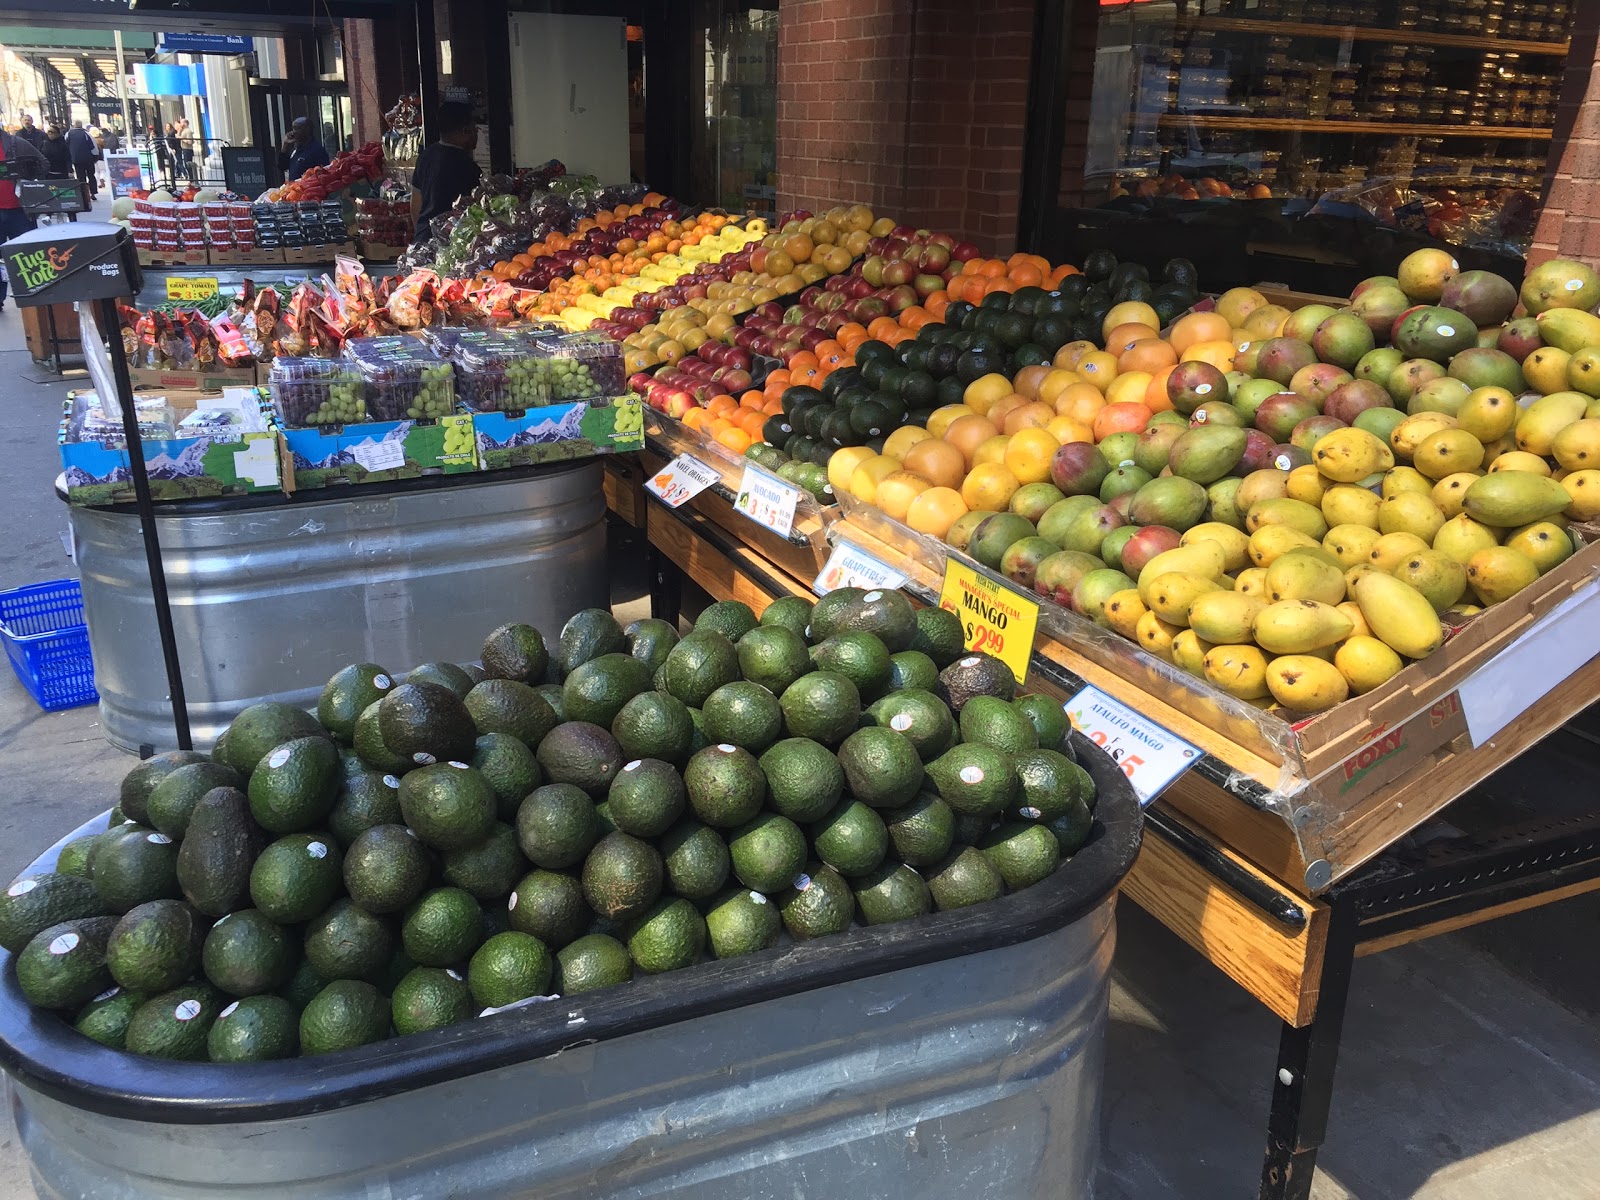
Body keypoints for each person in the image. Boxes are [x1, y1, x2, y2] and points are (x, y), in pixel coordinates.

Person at [410, 101, 481, 244]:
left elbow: (415, 205)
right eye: (475, 128)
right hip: (449, 244)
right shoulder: (466, 166)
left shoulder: (426, 155)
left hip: (423, 239)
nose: (476, 133)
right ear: (465, 131)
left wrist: (423, 233)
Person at [0, 126, 45, 310]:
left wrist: (26, 177)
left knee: (28, 257)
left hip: (19, 211)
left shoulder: (15, 143)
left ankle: (35, 296)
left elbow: (43, 164)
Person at [278, 116, 329, 182]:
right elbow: (282, 166)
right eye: (293, 129)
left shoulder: (317, 150)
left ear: (307, 129)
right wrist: (285, 145)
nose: (294, 132)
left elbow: (323, 174)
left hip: (309, 188)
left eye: (297, 129)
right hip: (294, 189)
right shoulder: (296, 149)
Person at [66, 120, 97, 197]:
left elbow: (65, 146)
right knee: (91, 175)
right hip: (88, 159)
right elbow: (93, 147)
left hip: (76, 160)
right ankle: (93, 193)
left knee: (81, 177)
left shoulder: (68, 134)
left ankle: (84, 194)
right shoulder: (86, 134)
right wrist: (95, 157)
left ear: (74, 125)